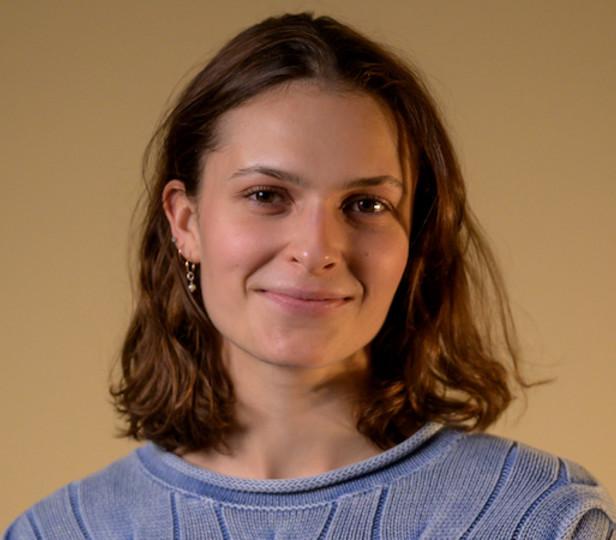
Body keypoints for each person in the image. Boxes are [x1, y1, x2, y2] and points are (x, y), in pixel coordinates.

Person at [5, 12, 614, 540]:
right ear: (186, 220)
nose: (318, 249)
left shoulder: (536, 521)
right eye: (267, 194)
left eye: (367, 205)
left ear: (415, 238)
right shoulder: (59, 532)